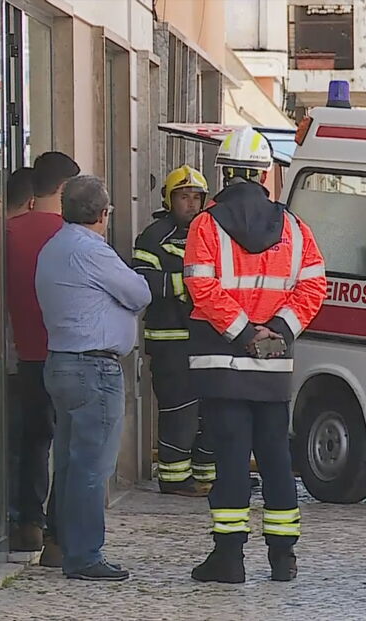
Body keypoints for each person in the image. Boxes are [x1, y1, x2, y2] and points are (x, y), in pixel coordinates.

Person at [184, 127, 326, 583]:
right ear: (265, 174)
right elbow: (314, 288)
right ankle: (284, 558)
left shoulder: (205, 225)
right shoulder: (296, 228)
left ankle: (229, 559)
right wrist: (276, 332)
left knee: (230, 459)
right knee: (276, 457)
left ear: (224, 173)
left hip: (221, 363)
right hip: (272, 365)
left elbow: (201, 286)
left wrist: (243, 333)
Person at [36, 175, 151, 581]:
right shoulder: (92, 250)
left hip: (61, 361)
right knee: (91, 467)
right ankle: (84, 555)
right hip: (93, 368)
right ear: (103, 213)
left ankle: (61, 544)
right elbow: (139, 294)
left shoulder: (54, 246)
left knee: (69, 463)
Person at [6, 154, 80, 566]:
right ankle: (58, 537)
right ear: (65, 190)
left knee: (30, 442)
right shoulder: (74, 237)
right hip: (68, 353)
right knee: (69, 447)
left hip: (24, 356)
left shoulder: (9, 232)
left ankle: (27, 523)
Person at [132, 165, 215, 496]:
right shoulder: (154, 236)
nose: (191, 204)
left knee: (209, 411)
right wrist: (190, 285)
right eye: (183, 196)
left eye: (196, 197)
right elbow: (142, 281)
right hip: (170, 341)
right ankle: (174, 478)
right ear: (169, 199)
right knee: (179, 411)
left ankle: (207, 474)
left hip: (206, 339)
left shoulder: (211, 232)